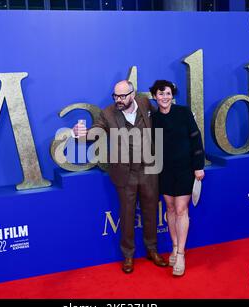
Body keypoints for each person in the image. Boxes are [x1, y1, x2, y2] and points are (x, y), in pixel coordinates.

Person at [73, 80, 167, 273]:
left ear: (132, 94)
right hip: (125, 173)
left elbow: (162, 120)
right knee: (127, 214)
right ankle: (128, 256)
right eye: (115, 96)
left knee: (151, 212)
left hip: (149, 169)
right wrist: (80, 134)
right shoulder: (108, 113)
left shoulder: (145, 104)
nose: (118, 100)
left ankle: (152, 250)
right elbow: (95, 132)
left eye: (123, 96)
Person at [150, 80, 205, 277]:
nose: (164, 97)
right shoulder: (154, 118)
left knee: (182, 209)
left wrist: (199, 165)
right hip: (164, 171)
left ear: (172, 95)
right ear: (154, 96)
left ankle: (181, 254)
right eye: (160, 94)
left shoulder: (183, 113)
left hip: (185, 169)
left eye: (168, 93)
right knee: (170, 209)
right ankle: (174, 246)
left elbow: (196, 138)